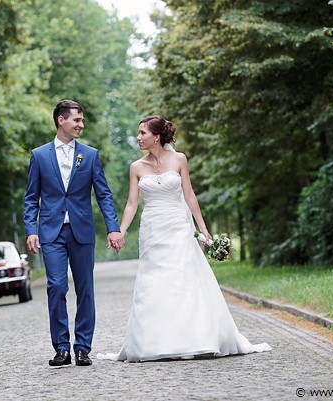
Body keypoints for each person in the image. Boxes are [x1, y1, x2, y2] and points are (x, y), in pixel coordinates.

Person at [97, 115, 271, 362]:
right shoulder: (136, 167)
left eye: (142, 133)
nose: (138, 137)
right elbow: (132, 204)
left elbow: (189, 195)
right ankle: (154, 342)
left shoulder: (179, 160)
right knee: (154, 281)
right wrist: (120, 231)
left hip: (178, 226)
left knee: (182, 278)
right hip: (152, 229)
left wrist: (203, 229)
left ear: (156, 136)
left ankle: (195, 338)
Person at [24, 99, 125, 367]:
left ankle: (82, 348)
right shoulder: (39, 155)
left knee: (85, 289)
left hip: (81, 231)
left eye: (81, 120)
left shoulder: (90, 155)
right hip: (51, 232)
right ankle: (61, 348)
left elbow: (103, 194)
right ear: (61, 120)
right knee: (56, 286)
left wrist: (113, 228)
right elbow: (31, 198)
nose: (81, 124)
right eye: (76, 120)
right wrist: (31, 230)